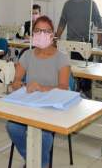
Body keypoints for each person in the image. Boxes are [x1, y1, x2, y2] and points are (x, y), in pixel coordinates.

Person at [6, 15, 70, 168]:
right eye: (38, 30)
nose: (41, 34)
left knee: (44, 135)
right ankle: (36, 161)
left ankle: (39, 163)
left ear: (52, 34)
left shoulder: (61, 58)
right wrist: (17, 84)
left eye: (46, 31)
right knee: (12, 127)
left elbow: (64, 87)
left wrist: (43, 88)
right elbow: (16, 79)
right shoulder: (27, 55)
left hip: (51, 108)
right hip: (29, 105)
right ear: (32, 32)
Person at [56, 0, 102, 97]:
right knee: (72, 68)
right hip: (70, 42)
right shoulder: (68, 5)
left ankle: (87, 92)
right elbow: (62, 22)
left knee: (86, 70)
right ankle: (74, 90)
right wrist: (57, 37)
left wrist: (100, 36)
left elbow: (98, 21)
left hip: (86, 41)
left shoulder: (91, 4)